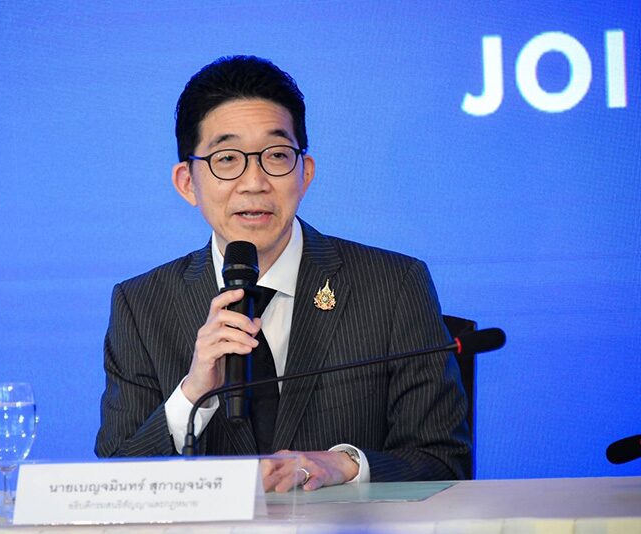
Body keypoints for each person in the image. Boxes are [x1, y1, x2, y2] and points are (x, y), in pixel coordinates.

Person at [95, 55, 471, 491]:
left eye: (276, 155)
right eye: (227, 158)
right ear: (186, 182)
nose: (254, 182)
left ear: (305, 173)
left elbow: (444, 462)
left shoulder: (393, 285)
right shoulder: (142, 305)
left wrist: (347, 466)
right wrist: (193, 392)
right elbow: (114, 482)